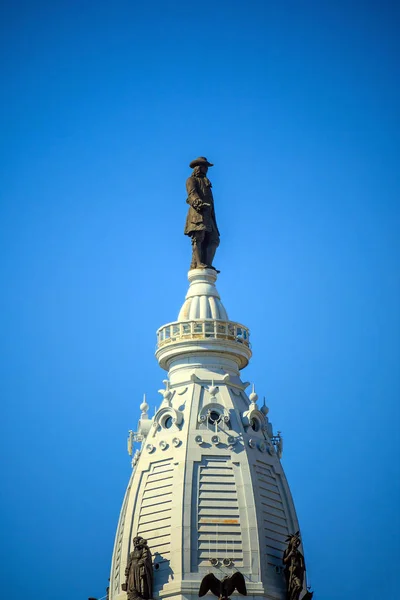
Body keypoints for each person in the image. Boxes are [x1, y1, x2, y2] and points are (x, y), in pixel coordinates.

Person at [184, 157, 220, 271]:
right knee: (198, 238)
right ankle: (198, 263)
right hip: (198, 214)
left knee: (214, 239)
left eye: (206, 167)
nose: (206, 169)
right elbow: (192, 194)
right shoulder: (191, 180)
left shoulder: (206, 182)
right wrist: (198, 202)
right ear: (198, 167)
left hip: (209, 216)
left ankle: (207, 263)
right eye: (204, 166)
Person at [282, 532, 305, 600]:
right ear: (292, 542)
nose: (297, 544)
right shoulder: (288, 551)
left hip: (297, 574)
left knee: (299, 587)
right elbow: (284, 561)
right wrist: (290, 555)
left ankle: (294, 598)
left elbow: (302, 567)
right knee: (298, 586)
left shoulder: (299, 555)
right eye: (295, 542)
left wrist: (300, 565)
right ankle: (291, 598)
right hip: (291, 574)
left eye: (298, 542)